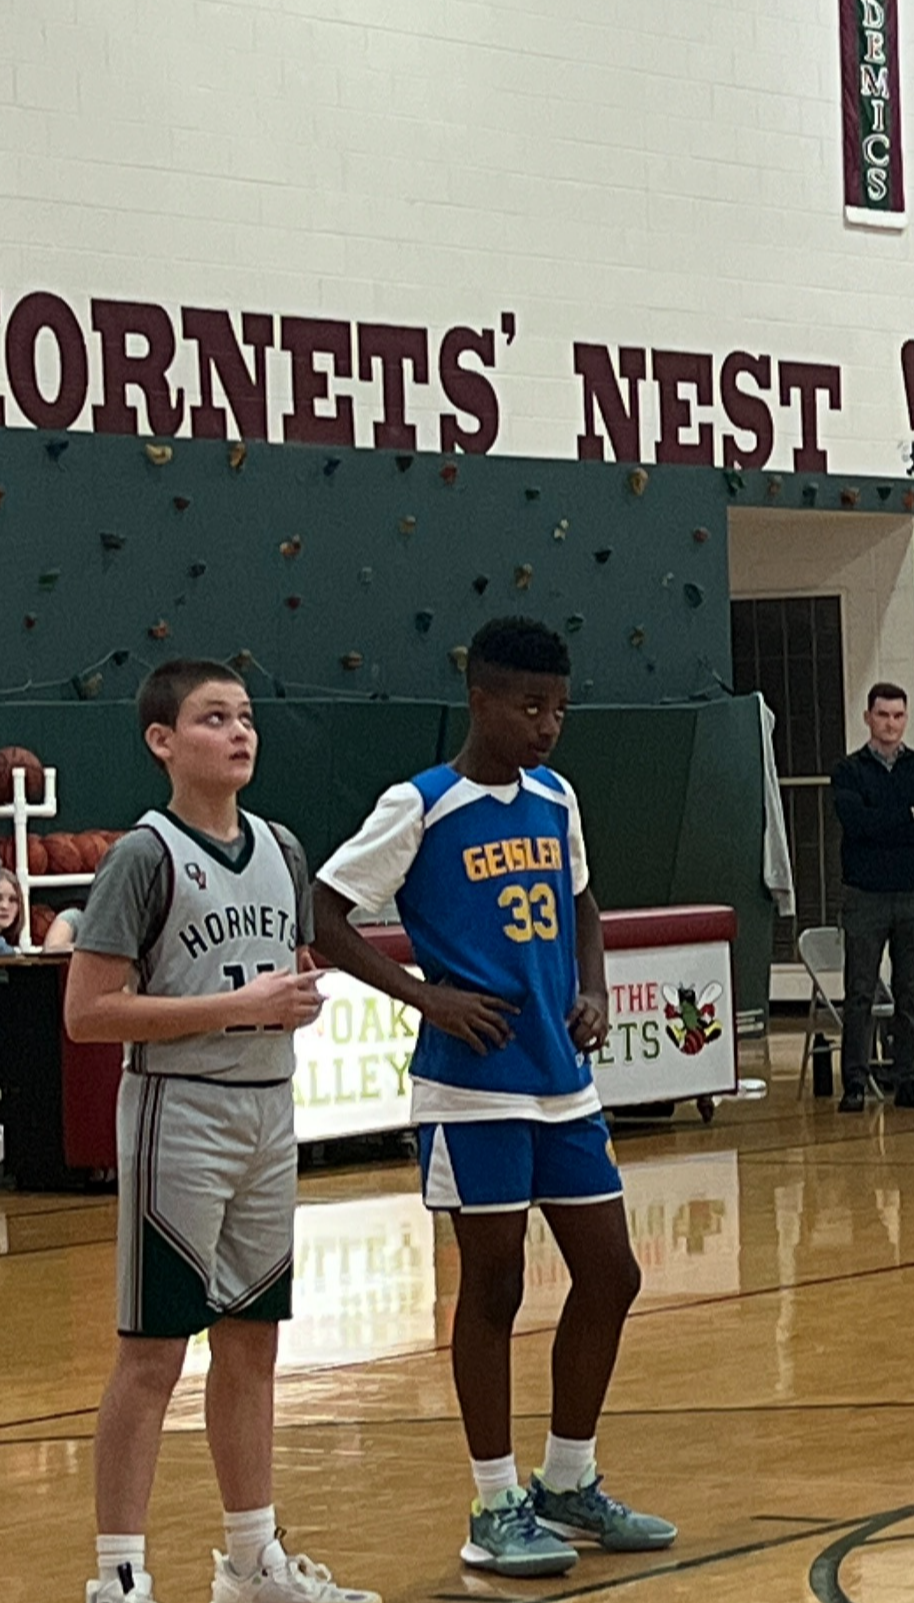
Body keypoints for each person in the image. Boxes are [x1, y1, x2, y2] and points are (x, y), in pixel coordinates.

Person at [312, 617, 676, 1577]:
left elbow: (587, 907)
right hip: (470, 1088)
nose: (549, 725)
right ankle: (494, 1504)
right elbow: (326, 911)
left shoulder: (557, 798)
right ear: (479, 700)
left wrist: (591, 987)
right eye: (530, 706)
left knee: (612, 1275)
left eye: (559, 707)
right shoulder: (420, 805)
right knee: (496, 1285)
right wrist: (424, 992)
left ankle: (569, 1479)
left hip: (561, 1077)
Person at [64, 658, 373, 1603]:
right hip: (179, 1109)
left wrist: (288, 1004)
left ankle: (251, 1562)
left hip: (268, 1110)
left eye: (245, 716)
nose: (239, 732)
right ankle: (119, 1576)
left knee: (253, 1342)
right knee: (155, 1352)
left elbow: (272, 977)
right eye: (212, 718)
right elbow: (87, 1012)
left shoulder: (281, 847)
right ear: (163, 741)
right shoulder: (142, 857)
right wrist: (240, 1004)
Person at [828, 683, 914, 1114]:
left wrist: (886, 819)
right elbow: (855, 823)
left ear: (906, 718)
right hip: (865, 895)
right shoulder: (848, 771)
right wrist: (905, 814)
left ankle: (907, 1080)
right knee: (859, 990)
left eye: (898, 716)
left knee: (909, 991)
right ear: (868, 717)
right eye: (883, 715)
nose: (891, 724)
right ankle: (854, 1083)